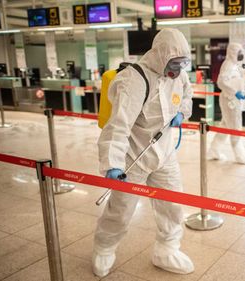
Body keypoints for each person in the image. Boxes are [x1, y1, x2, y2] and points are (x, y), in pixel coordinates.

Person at [93, 28, 194, 277]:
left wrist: (182, 112)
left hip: (165, 152)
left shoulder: (179, 76)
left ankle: (167, 249)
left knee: (172, 204)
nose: (178, 69)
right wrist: (112, 163)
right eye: (174, 63)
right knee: (122, 208)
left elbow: (186, 97)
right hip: (133, 156)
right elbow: (118, 124)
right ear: (160, 56)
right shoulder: (133, 79)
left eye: (182, 63)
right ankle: (104, 248)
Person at [208, 43, 245, 164]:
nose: (241, 55)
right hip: (230, 99)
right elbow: (221, 82)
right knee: (236, 127)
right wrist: (234, 92)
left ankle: (214, 151)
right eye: (239, 53)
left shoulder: (234, 65)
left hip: (233, 99)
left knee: (225, 126)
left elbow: (234, 80)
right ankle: (240, 156)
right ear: (232, 52)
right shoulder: (228, 64)